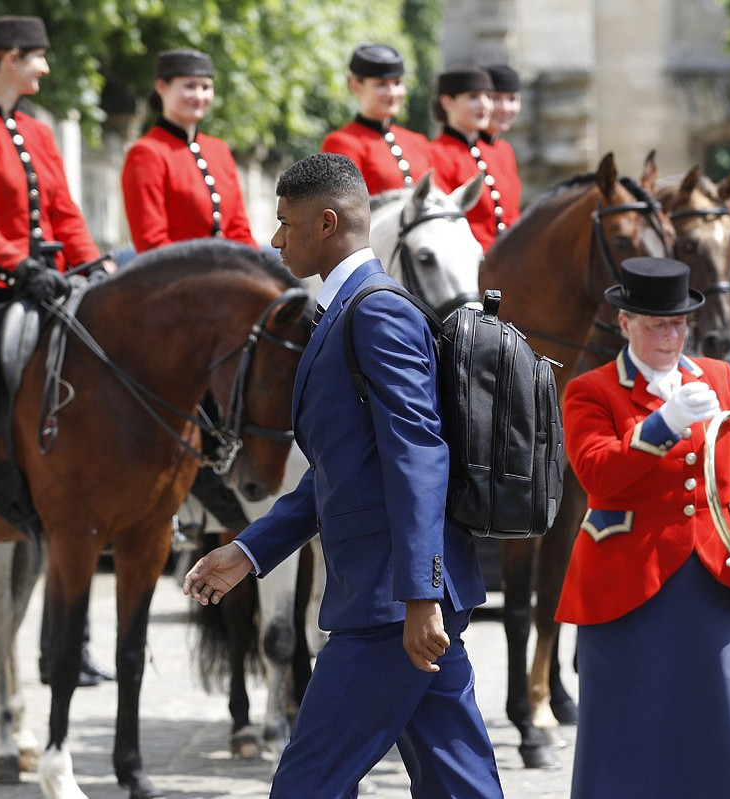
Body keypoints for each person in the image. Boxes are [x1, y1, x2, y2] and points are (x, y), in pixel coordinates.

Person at [183, 152, 503, 799]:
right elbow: (336, 474)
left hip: (390, 607)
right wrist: (249, 551)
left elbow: (418, 455)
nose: (274, 240)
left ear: (327, 223)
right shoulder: (343, 312)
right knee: (459, 783)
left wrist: (420, 596)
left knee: (306, 784)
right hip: (394, 599)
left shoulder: (377, 313)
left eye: (285, 223)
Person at [556, 256, 730, 799]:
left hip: (715, 575)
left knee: (726, 727)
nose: (670, 334)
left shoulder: (721, 377)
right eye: (656, 324)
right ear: (626, 323)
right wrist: (662, 425)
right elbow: (597, 474)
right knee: (629, 736)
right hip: (626, 585)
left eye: (678, 323)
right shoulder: (590, 389)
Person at [0, 15, 106, 545]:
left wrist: (96, 265)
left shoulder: (39, 132)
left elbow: (65, 213)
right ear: (10, 58)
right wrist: (19, 264)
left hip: (48, 282)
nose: (46, 68)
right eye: (38, 57)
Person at [121, 49, 256, 252]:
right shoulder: (146, 153)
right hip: (175, 279)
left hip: (231, 276)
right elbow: (151, 242)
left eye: (206, 87)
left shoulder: (219, 150)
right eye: (189, 86)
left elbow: (240, 230)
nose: (199, 95)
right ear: (161, 86)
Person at [428, 64, 519, 252]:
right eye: (473, 97)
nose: (485, 105)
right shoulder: (435, 154)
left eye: (487, 96)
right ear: (447, 102)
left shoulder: (497, 151)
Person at [321, 43, 432, 195]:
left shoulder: (418, 142)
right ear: (355, 86)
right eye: (381, 84)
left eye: (397, 83)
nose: (392, 92)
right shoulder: (342, 143)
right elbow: (347, 207)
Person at [479, 63, 522, 216]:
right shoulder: (462, 149)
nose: (505, 108)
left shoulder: (505, 149)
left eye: (512, 99)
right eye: (496, 99)